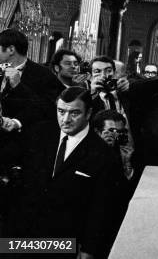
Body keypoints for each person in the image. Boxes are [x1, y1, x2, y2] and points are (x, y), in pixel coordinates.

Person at [11, 87, 122, 258]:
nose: (65, 119)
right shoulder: (39, 134)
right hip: (23, 239)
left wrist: (88, 250)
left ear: (88, 113)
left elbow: (102, 209)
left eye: (74, 113)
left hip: (67, 244)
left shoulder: (103, 155)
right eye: (61, 111)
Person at [0, 29, 64, 126]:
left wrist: (19, 86)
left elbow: (49, 108)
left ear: (11, 50)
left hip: (24, 136)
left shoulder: (44, 74)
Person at [92, 109, 134, 181]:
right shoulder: (87, 152)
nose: (117, 135)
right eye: (112, 131)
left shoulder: (125, 151)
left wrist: (127, 163)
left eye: (120, 131)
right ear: (98, 132)